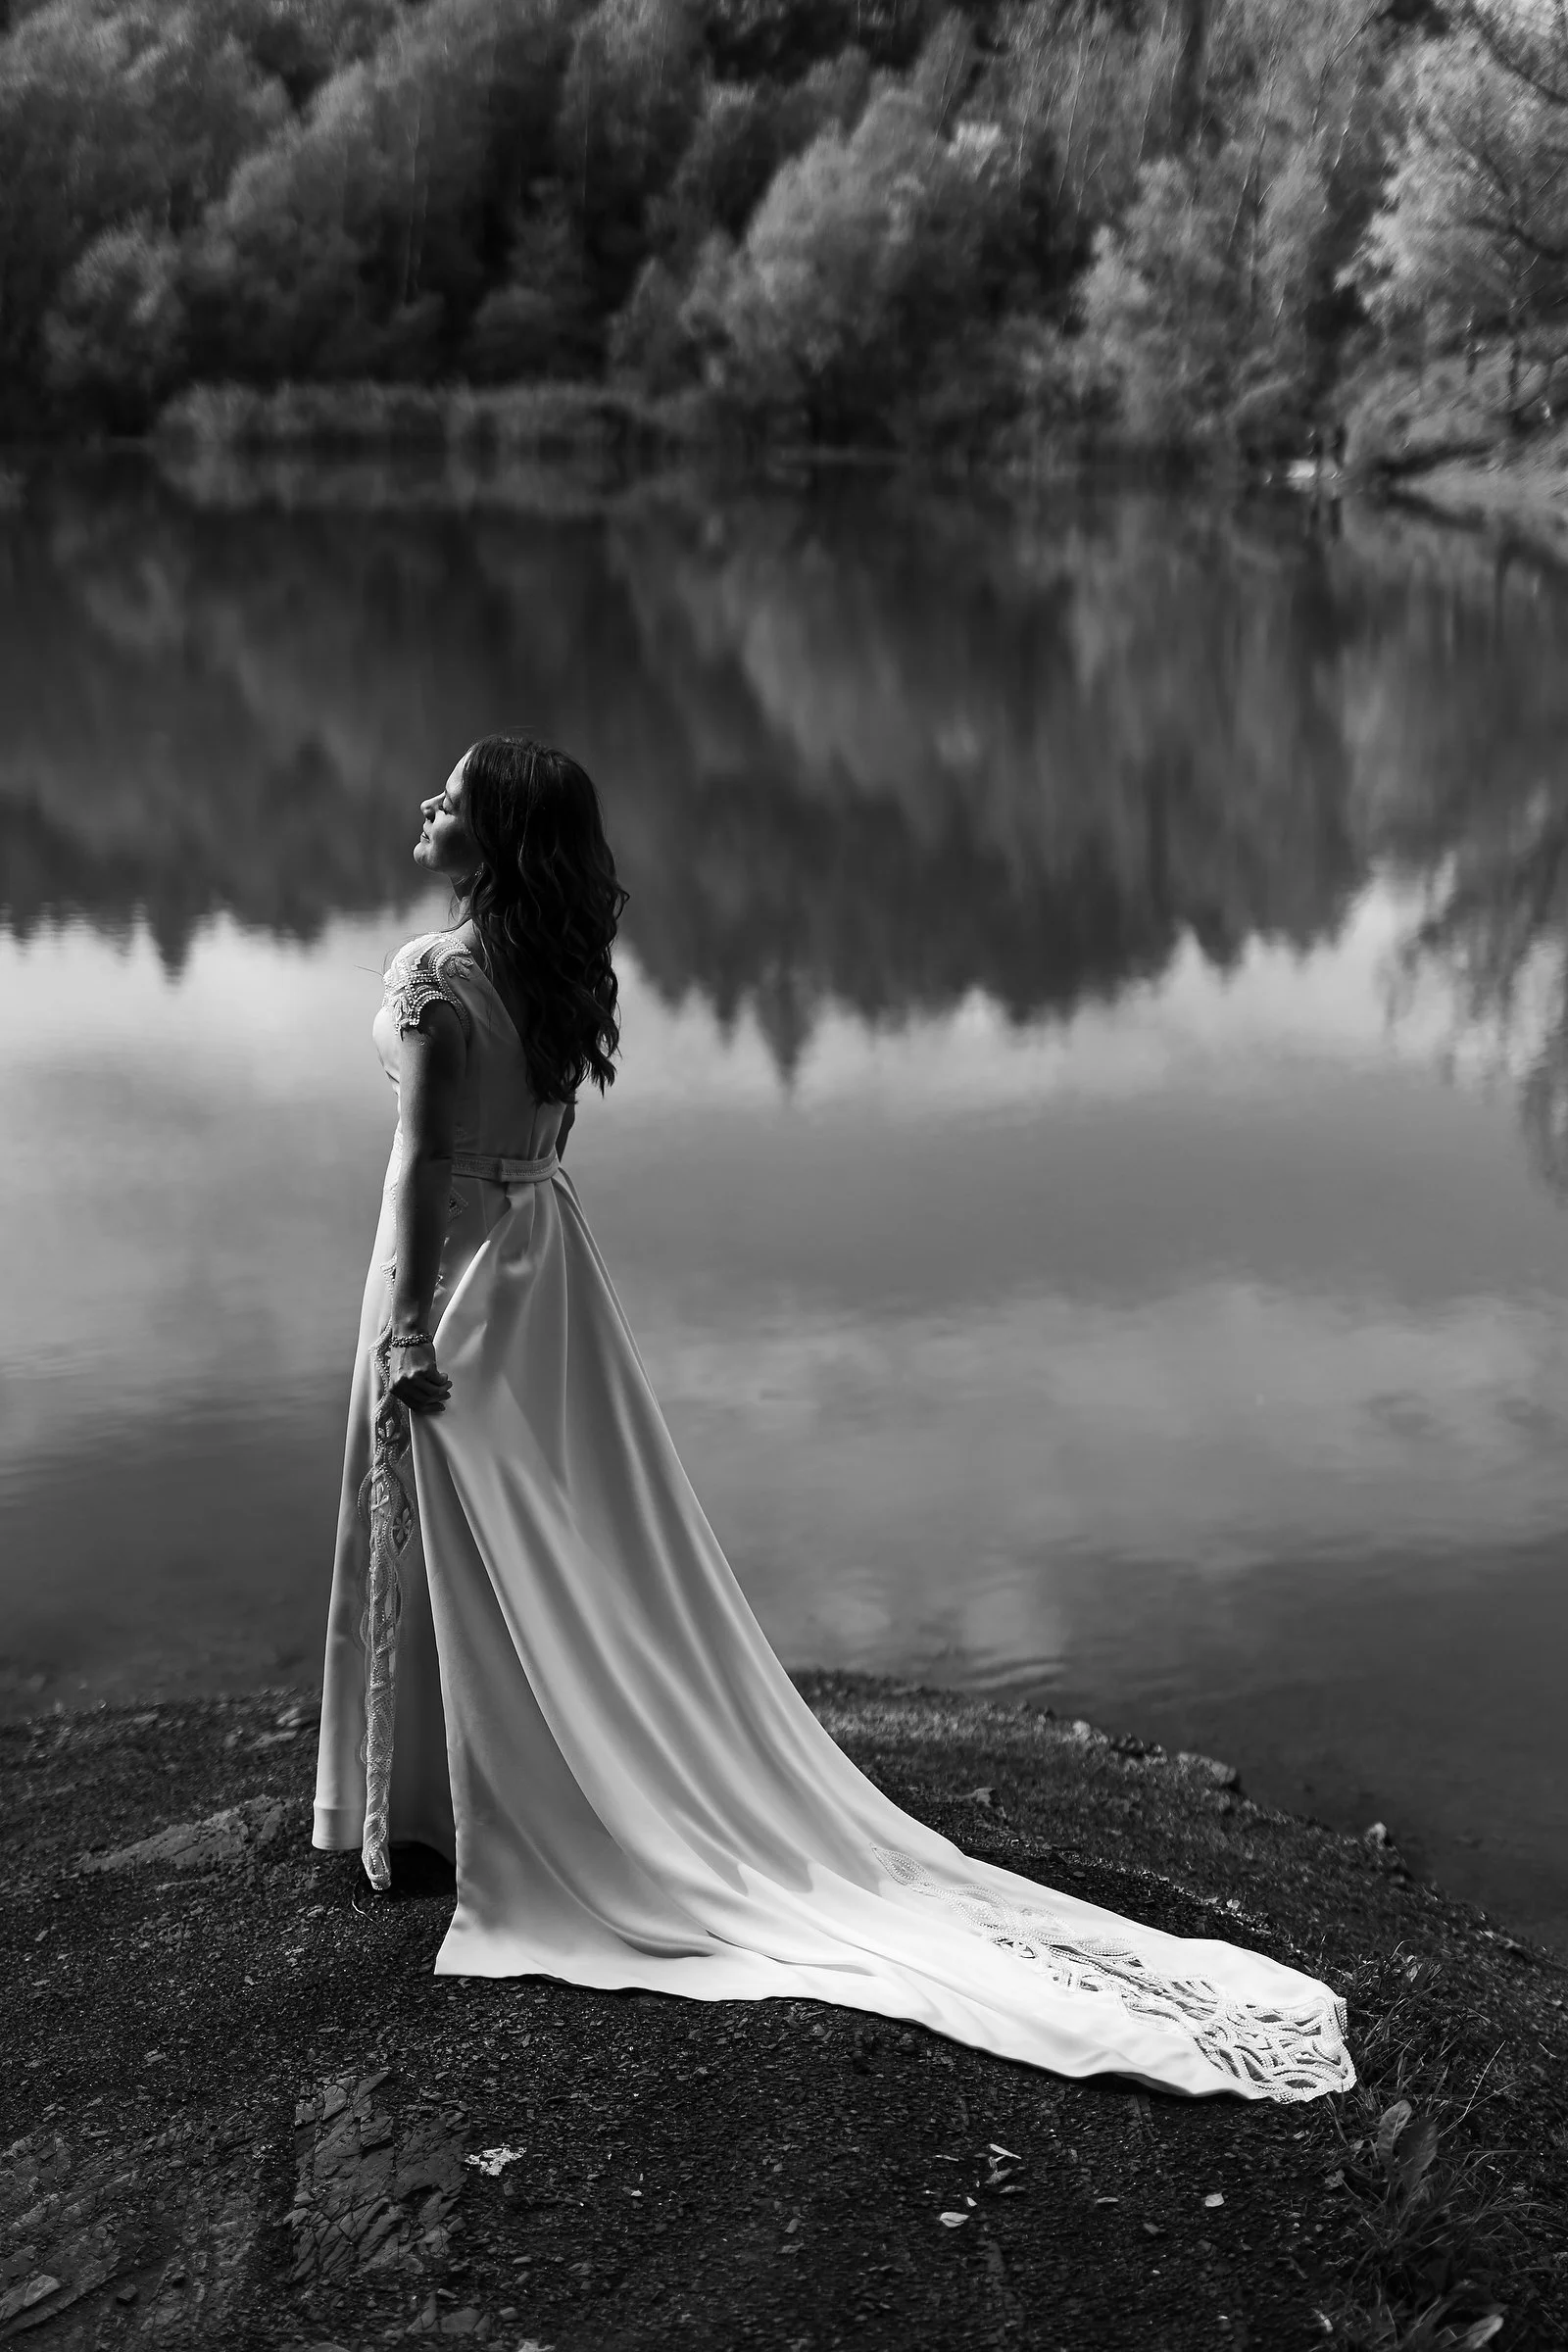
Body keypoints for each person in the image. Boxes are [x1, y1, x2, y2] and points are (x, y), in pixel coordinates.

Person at [312, 734, 1355, 2105]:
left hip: (452, 1274)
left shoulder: (431, 978)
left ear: (495, 838)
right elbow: (530, 1145)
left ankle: (445, 1812)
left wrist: (399, 1331)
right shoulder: (559, 972)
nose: (427, 805)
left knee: (456, 1520)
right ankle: (476, 1793)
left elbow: (418, 1162)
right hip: (546, 1273)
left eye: (452, 797)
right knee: (559, 1540)